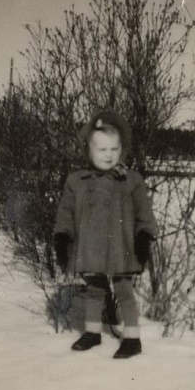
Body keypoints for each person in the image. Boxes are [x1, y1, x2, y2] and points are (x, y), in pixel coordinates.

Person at [53, 110, 157, 359]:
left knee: (123, 290)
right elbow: (65, 212)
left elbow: (144, 212)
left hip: (122, 246)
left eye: (114, 149)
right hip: (90, 245)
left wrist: (144, 236)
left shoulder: (131, 180)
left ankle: (132, 339)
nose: (109, 155)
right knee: (95, 289)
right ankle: (92, 333)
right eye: (102, 150)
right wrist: (62, 236)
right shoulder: (77, 181)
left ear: (122, 148)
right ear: (88, 150)